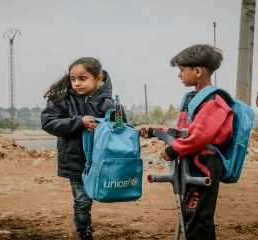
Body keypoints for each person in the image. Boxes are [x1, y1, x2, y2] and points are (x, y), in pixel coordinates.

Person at [140, 44, 233, 240]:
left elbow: (200, 136)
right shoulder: (193, 97)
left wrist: (173, 150)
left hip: (204, 164)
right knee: (192, 215)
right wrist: (155, 131)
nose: (179, 75)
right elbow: (186, 132)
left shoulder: (213, 100)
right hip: (191, 161)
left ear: (198, 71)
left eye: (182, 70)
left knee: (197, 217)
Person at [41, 57, 124, 240]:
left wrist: (101, 126)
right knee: (82, 202)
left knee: (108, 195)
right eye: (73, 79)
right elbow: (48, 122)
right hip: (75, 161)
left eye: (82, 78)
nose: (77, 83)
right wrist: (80, 122)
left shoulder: (110, 104)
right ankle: (84, 234)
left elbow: (121, 129)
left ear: (98, 78)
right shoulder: (62, 100)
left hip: (103, 162)